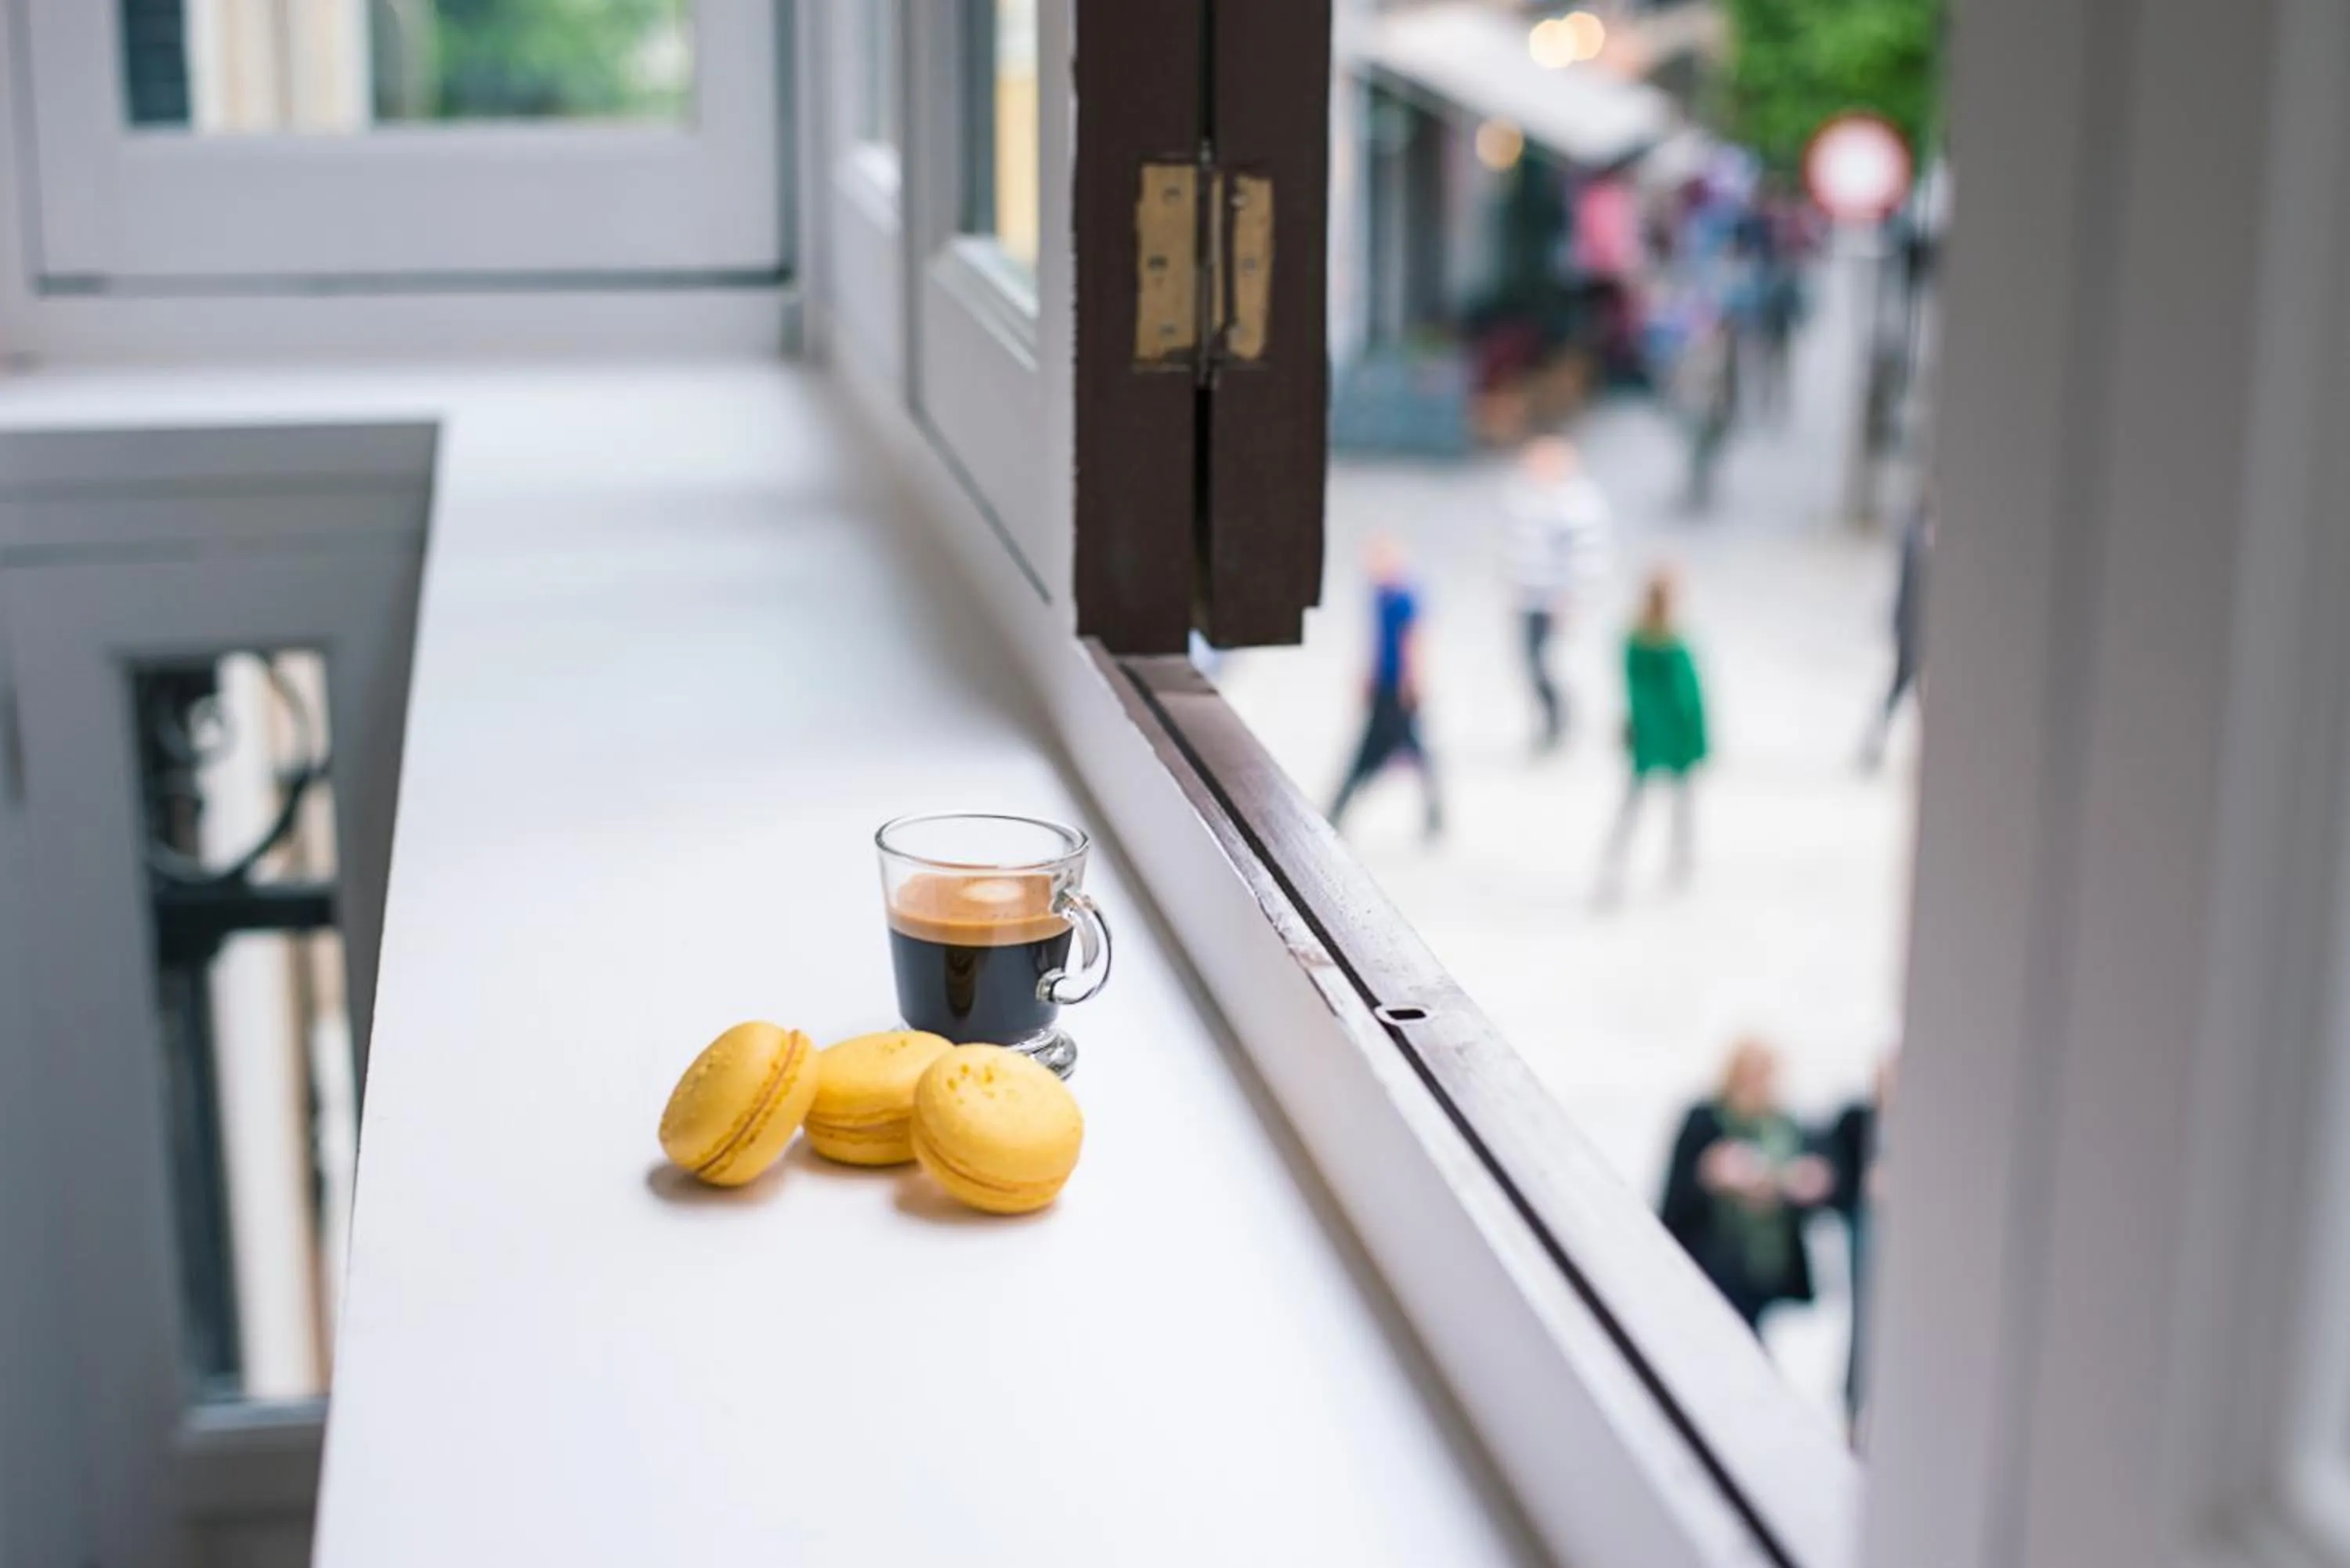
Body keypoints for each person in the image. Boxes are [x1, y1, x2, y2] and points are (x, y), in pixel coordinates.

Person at [1661, 1039, 1834, 1332]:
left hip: (1766, 1272)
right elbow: (1674, 1200)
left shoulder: (1786, 1126)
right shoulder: (1705, 1120)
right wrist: (1712, 1176)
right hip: (1713, 1267)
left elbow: (1821, 1188)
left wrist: (1797, 1185)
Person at [1596, 567, 1708, 901]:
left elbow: (1633, 690)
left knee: (1639, 801)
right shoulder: (1672, 646)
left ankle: (1624, 862)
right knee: (1676, 803)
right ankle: (1677, 863)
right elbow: (1688, 699)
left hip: (1648, 735)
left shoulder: (1636, 642)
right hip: (1672, 737)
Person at [1502, 436, 1612, 753]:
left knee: (1546, 662)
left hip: (1555, 600)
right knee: (1529, 662)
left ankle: (1559, 717)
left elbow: (1586, 559)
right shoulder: (1524, 498)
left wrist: (1572, 598)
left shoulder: (1577, 505)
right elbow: (1515, 547)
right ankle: (1550, 718)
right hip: (1528, 595)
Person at [1329, 536, 1443, 840]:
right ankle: (1337, 809)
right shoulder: (1379, 595)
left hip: (1397, 689)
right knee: (1400, 751)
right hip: (1383, 684)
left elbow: (1413, 641)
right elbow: (1376, 642)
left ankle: (1336, 810)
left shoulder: (1405, 597)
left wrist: (1413, 681)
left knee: (1378, 753)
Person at [1819, 1054, 1896, 1439]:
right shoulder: (1856, 1118)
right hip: (1866, 1232)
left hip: (1898, 1242)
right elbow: (1833, 1175)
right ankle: (1853, 1413)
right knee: (1864, 1321)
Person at [1860, 500, 1932, 770]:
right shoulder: (1916, 538)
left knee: (1912, 695)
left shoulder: (1921, 537)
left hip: (1917, 631)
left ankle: (1876, 746)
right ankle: (1874, 746)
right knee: (1903, 691)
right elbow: (1910, 592)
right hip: (1912, 631)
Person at [1674, 311, 1739, 511]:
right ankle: (1696, 487)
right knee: (1698, 451)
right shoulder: (1698, 349)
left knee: (1705, 451)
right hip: (1698, 408)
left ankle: (1699, 487)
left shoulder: (1725, 353)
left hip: (1712, 410)